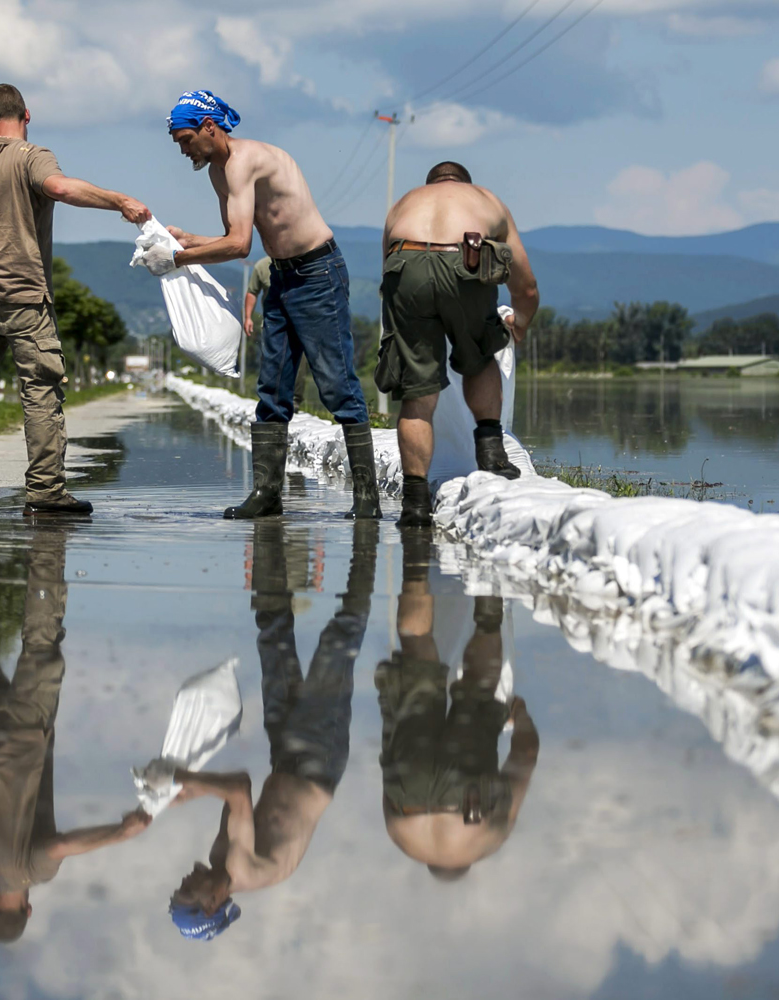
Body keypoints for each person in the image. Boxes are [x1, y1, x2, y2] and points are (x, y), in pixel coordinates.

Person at [0, 83, 151, 516]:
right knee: (40, 391)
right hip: (25, 299)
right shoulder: (33, 156)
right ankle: (45, 493)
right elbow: (58, 188)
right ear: (27, 114)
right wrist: (118, 200)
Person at [140, 90, 379, 520]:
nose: (183, 149)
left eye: (186, 138)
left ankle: (367, 499)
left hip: (317, 274)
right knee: (272, 390)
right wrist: (183, 241)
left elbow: (237, 245)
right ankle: (267, 495)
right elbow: (232, 233)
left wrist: (176, 259)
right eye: (178, 142)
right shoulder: (218, 172)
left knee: (336, 383)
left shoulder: (244, 160)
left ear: (209, 127)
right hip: (282, 277)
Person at [0, 522, 151, 943]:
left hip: (28, 729)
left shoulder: (33, 871)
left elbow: (61, 847)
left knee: (41, 641)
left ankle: (48, 540)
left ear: (26, 907)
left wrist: (121, 831)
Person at [165, 519, 376, 940]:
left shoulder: (219, 857)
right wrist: (188, 783)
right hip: (317, 759)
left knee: (272, 632)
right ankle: (366, 537)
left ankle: (269, 532)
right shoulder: (242, 870)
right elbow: (239, 789)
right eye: (185, 892)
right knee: (338, 642)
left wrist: (194, 781)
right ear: (211, 903)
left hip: (285, 753)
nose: (182, 881)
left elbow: (232, 796)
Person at [378, 160, 540, 527]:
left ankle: (415, 502)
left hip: (406, 262)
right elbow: (525, 288)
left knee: (418, 390)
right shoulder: (485, 200)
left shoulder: (403, 204)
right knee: (481, 354)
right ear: (465, 184)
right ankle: (492, 455)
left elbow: (387, 277)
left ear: (429, 184)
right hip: (462, 260)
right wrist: (521, 324)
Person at [375, 532, 539, 880]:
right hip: (409, 799)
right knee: (418, 647)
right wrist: (392, 702)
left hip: (470, 804)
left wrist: (519, 713)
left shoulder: (485, 845)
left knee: (479, 689)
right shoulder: (404, 842)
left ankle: (489, 591)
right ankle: (416, 557)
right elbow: (390, 759)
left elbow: (525, 757)